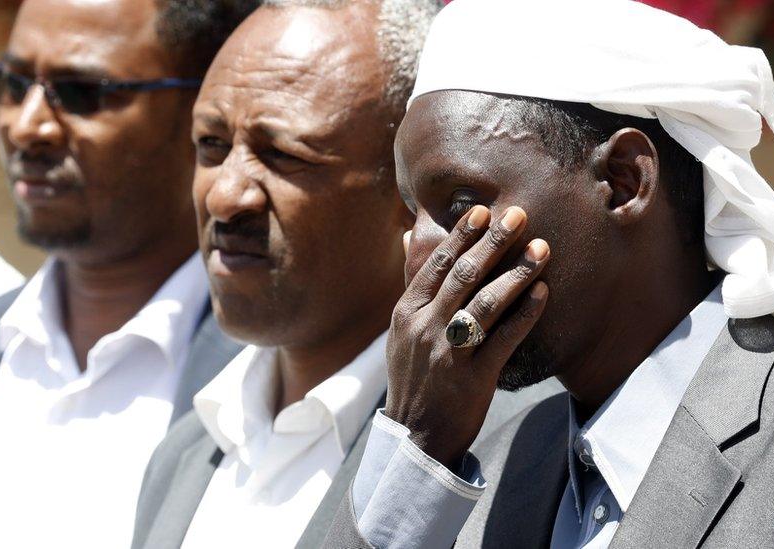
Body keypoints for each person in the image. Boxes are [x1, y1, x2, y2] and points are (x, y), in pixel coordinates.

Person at [323, 0, 774, 547]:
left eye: (461, 207)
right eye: (415, 214)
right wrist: (415, 451)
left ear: (625, 180)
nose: (421, 258)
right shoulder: (487, 461)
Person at [131, 1, 560, 547]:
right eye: (211, 145)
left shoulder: (511, 458)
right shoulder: (187, 453)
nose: (224, 194)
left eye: (283, 154)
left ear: (413, 194)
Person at [0, 0, 258, 546]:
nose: (27, 125)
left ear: (206, 113)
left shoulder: (268, 377)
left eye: (82, 92)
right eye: (13, 83)